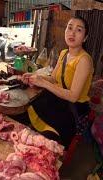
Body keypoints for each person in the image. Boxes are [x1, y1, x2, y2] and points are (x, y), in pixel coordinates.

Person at [17, 16, 93, 147]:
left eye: (79, 30)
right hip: (59, 101)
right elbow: (53, 78)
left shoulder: (84, 60)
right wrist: (34, 76)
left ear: (85, 38)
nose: (72, 33)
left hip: (72, 109)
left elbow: (73, 96)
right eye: (69, 28)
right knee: (26, 108)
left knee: (47, 138)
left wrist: (43, 83)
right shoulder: (64, 53)